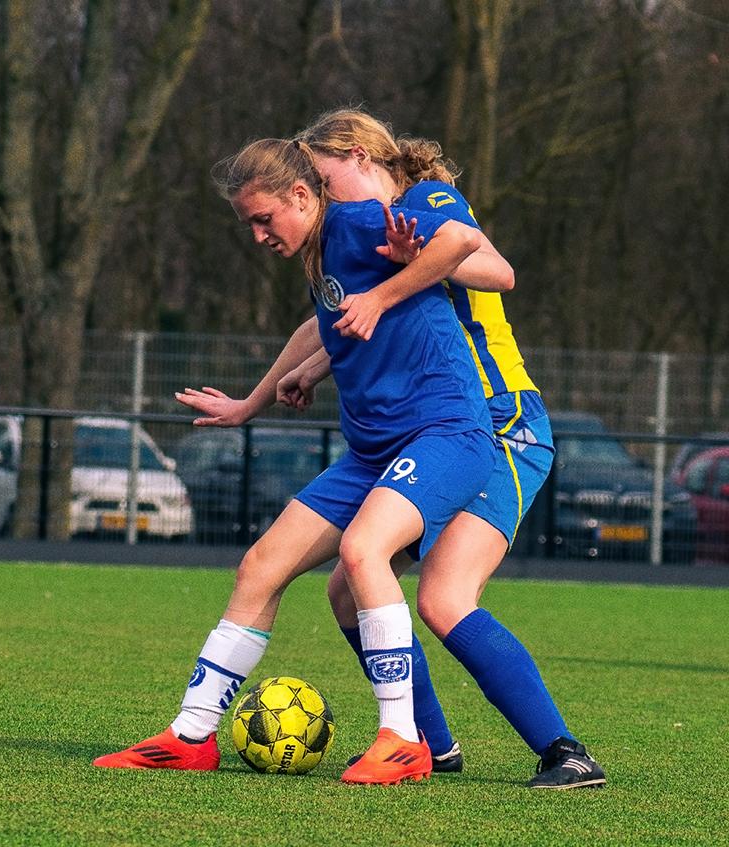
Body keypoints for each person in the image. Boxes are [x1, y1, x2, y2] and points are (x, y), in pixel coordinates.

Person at [178, 109, 605, 789]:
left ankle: (564, 750)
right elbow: (327, 319)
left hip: (500, 422)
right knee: (348, 588)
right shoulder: (345, 238)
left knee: (443, 596)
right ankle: (429, 744)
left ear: (356, 156)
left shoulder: (420, 203)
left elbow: (494, 268)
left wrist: (399, 280)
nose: (313, 192)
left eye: (319, 176)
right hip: (429, 427)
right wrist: (293, 377)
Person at [94, 136, 497, 785]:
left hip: (446, 434)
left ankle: (403, 739)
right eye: (248, 223)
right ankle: (191, 734)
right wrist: (252, 402)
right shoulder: (318, 255)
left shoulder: (359, 222)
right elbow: (321, 328)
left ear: (303, 196)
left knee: (364, 551)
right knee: (261, 564)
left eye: (264, 218)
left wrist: (385, 294)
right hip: (374, 451)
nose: (258, 235)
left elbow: (461, 241)